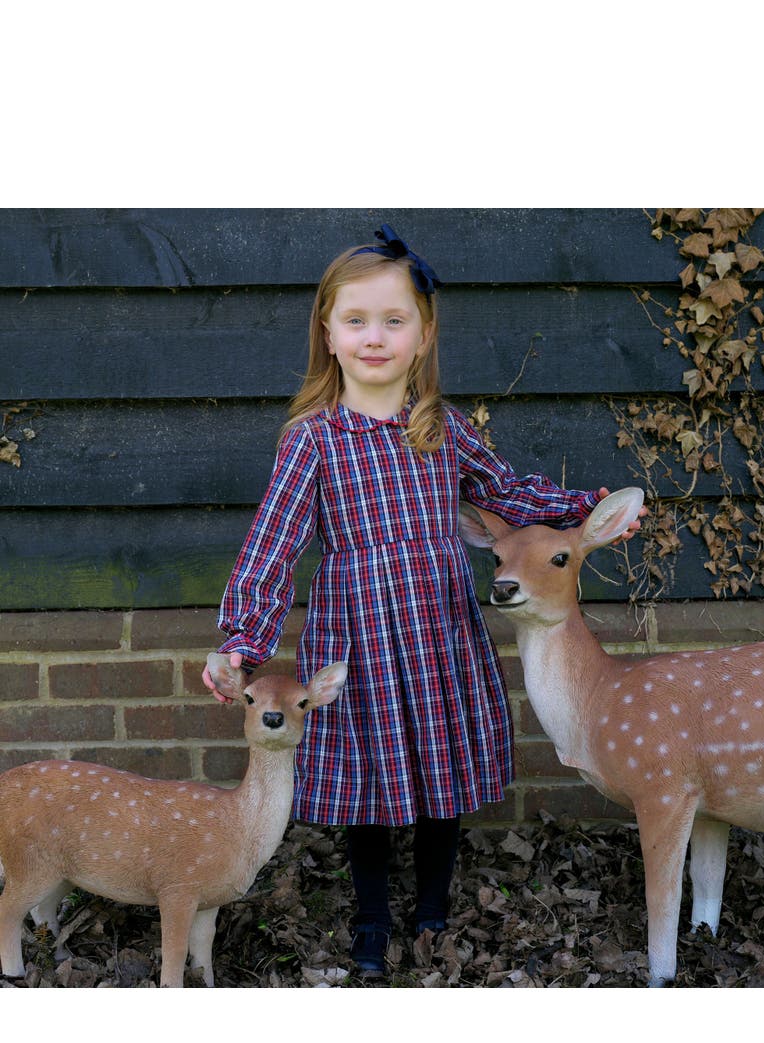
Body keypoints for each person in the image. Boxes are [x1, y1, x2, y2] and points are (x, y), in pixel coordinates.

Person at [203, 224, 643, 978]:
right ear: (329, 333)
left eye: (394, 320)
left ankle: (433, 909)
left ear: (423, 332)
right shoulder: (313, 439)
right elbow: (272, 544)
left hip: (439, 628)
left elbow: (508, 491)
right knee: (369, 776)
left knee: (444, 770)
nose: (375, 337)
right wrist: (241, 641)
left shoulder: (442, 428)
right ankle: (372, 919)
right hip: (358, 632)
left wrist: (587, 504)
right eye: (356, 320)